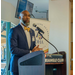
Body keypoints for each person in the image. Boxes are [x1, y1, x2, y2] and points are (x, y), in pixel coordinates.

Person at [8, 10, 43, 75]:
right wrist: (30, 52)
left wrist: (36, 50)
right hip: (17, 66)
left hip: (29, 65)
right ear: (19, 18)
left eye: (29, 16)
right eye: (25, 15)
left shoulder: (32, 31)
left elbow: (32, 47)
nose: (27, 17)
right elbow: (13, 50)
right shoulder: (14, 30)